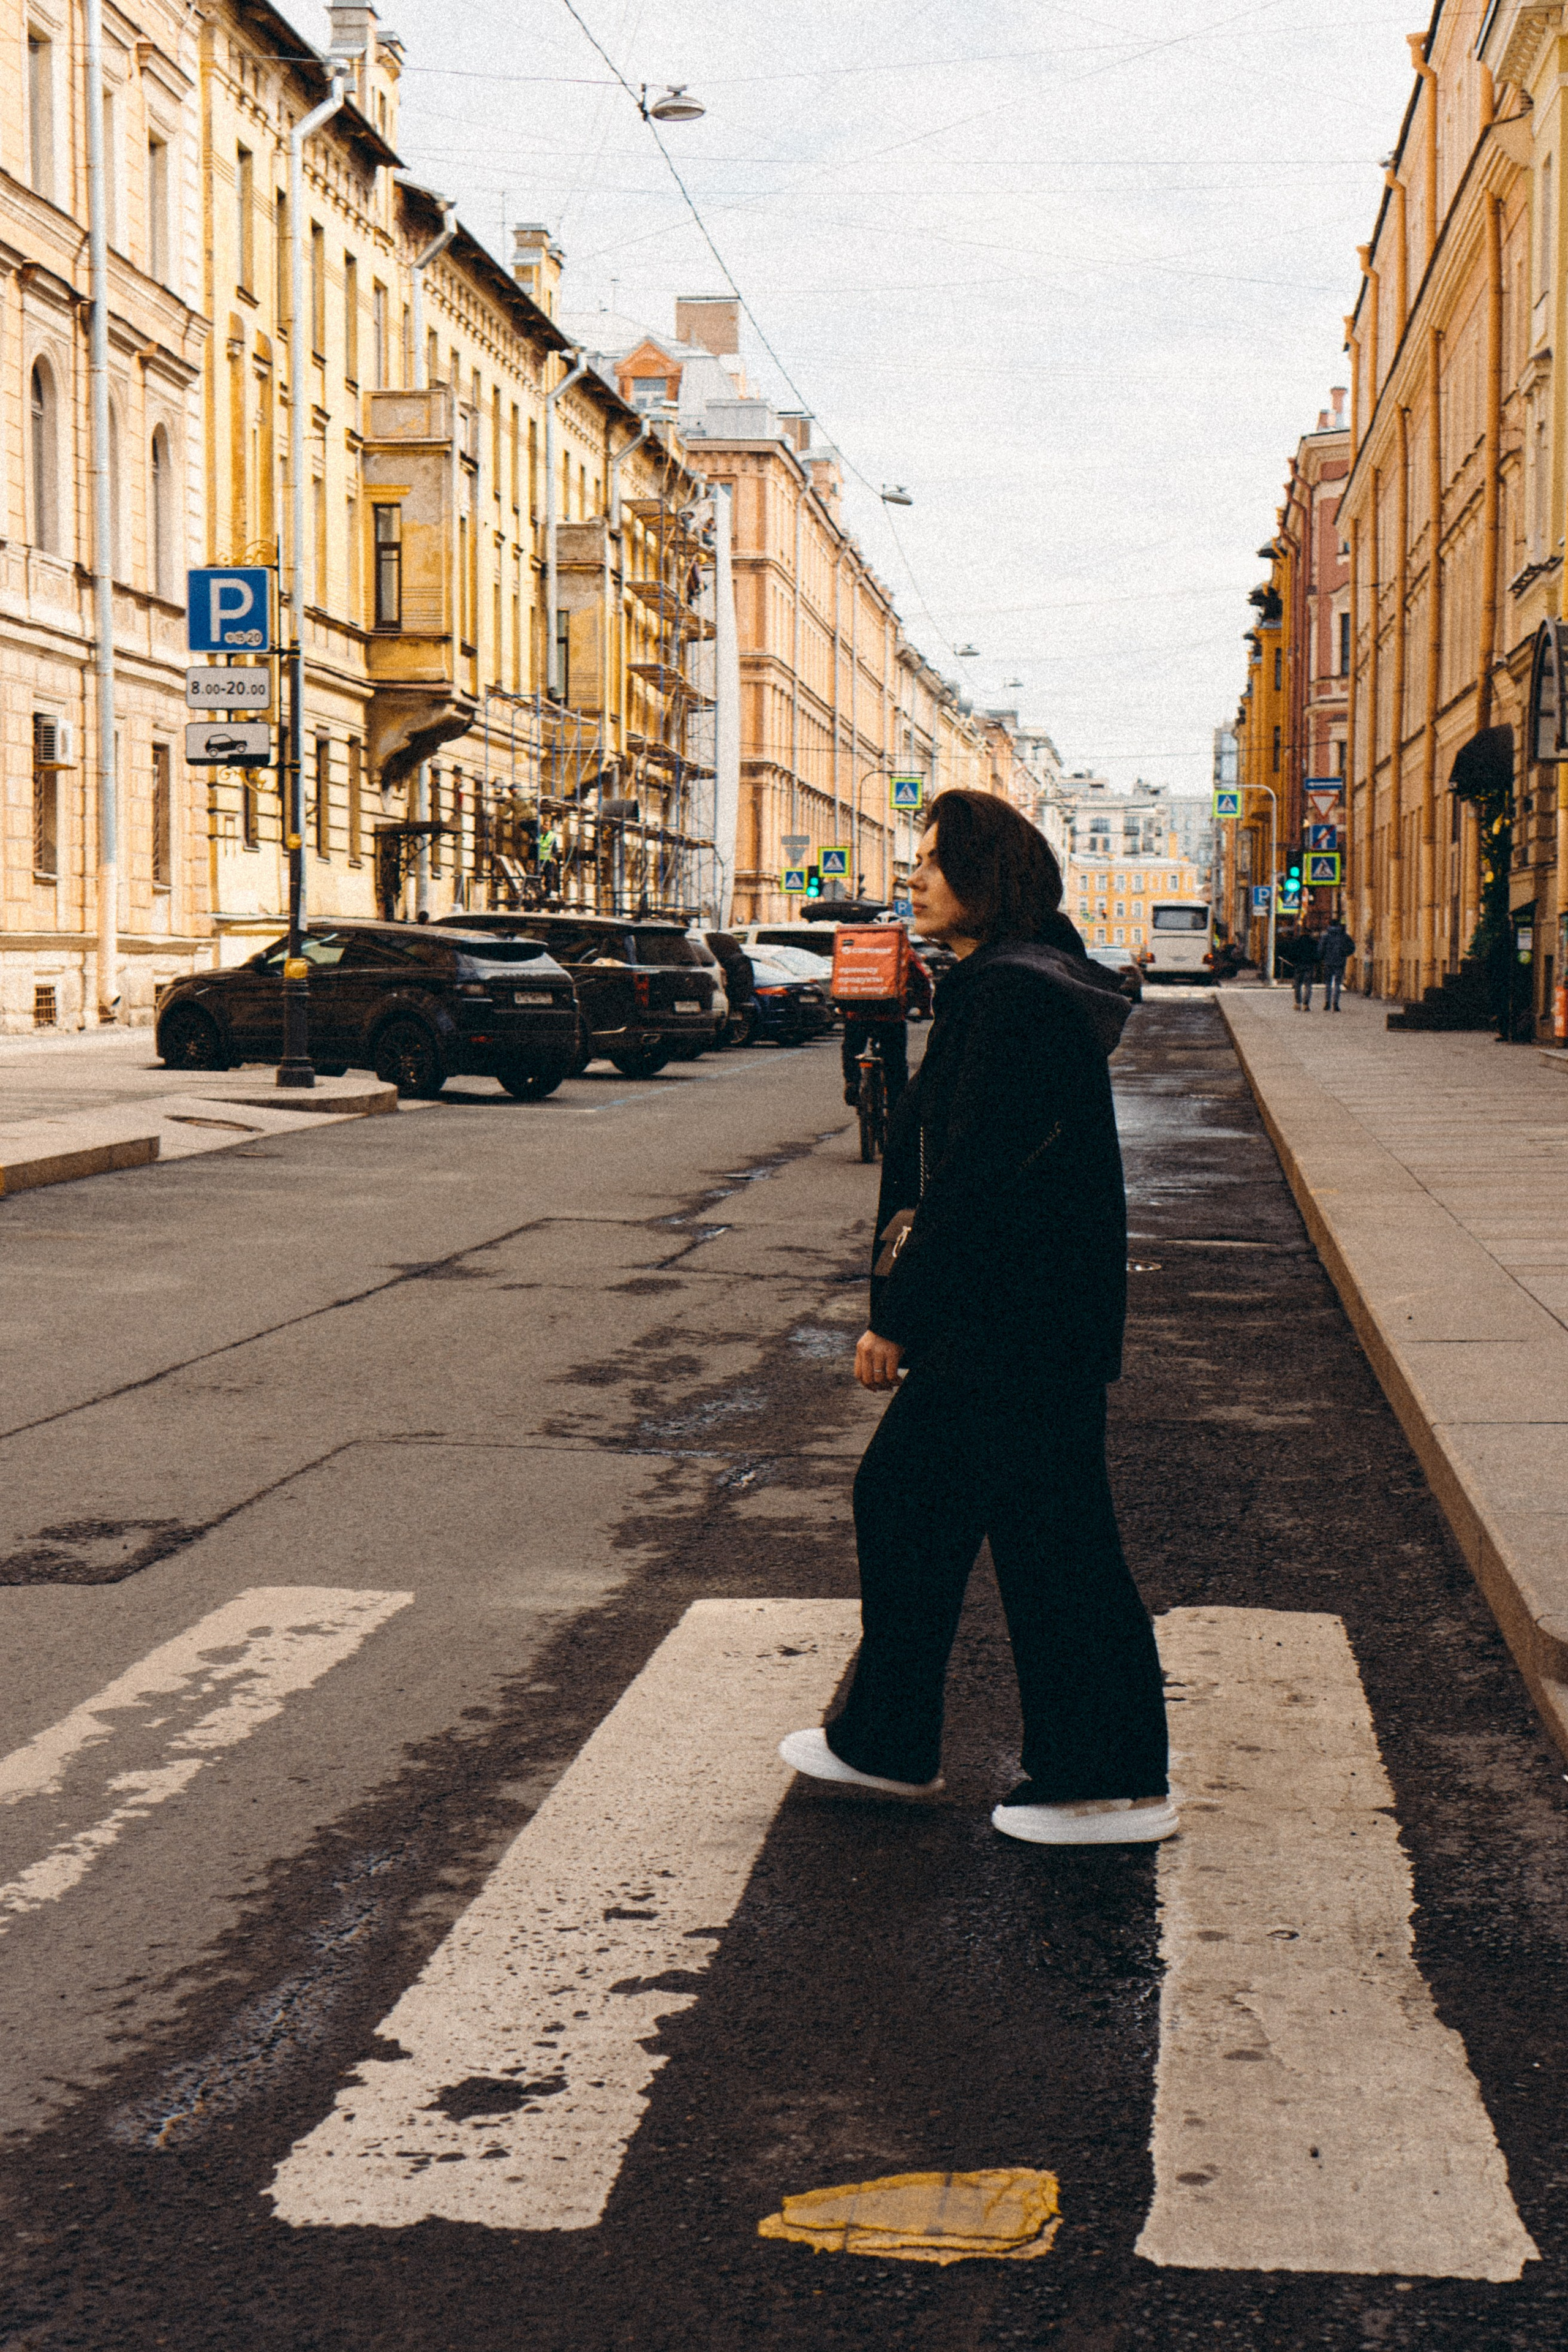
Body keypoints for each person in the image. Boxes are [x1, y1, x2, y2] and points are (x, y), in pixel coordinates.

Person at [780, 788, 1175, 1847]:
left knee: (1043, 1542)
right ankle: (891, 1742)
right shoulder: (1010, 986)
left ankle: (1102, 1781)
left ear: (984, 877)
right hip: (1024, 1322)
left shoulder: (1012, 1001)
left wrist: (899, 1319)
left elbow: (973, 1182)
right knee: (929, 1505)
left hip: (1014, 1328)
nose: (912, 879)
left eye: (931, 862)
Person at [1284, 924, 1321, 1009]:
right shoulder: (1314, 943)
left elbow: (1291, 953)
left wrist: (1293, 963)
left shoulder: (1297, 941)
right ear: (1310, 933)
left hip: (1299, 965)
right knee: (1308, 985)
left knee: (1298, 985)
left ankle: (1298, 1003)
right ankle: (1306, 1004)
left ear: (1302, 933)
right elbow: (1317, 954)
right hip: (1309, 965)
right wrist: (1315, 963)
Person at [1317, 918, 1351, 1011]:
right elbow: (1351, 947)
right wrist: (1344, 955)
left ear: (1329, 925)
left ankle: (1327, 1002)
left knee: (1328, 983)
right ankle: (1336, 1003)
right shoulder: (1344, 936)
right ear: (1339, 925)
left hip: (1328, 962)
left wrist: (1322, 958)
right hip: (1340, 962)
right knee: (1337, 983)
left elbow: (1320, 949)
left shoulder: (1326, 936)